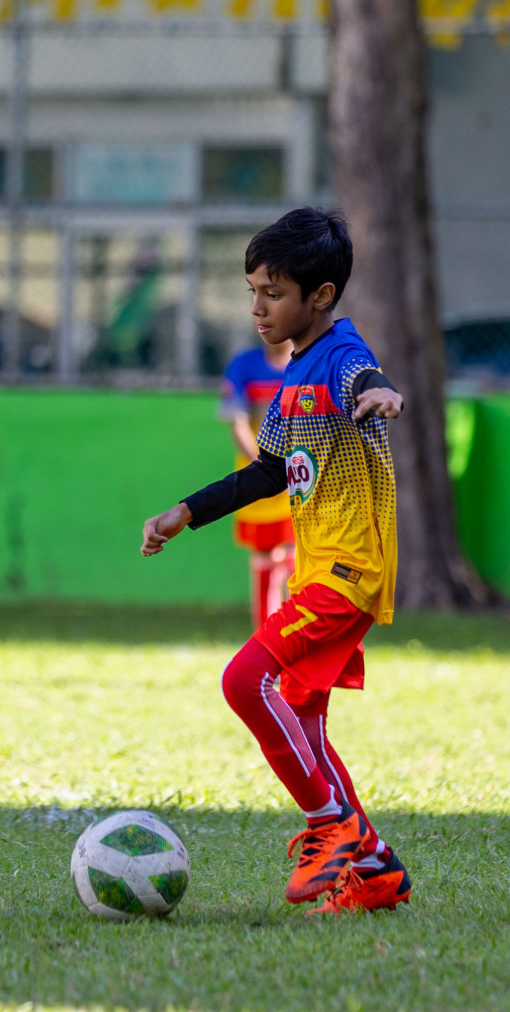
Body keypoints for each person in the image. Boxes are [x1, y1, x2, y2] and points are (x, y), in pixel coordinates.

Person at [141, 208, 411, 915]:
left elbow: (364, 379)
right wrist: (185, 513)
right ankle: (376, 869)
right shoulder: (291, 380)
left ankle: (333, 826)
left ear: (320, 296)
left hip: (348, 571)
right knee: (302, 716)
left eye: (274, 292)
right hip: (319, 569)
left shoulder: (342, 356)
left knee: (243, 680)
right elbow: (265, 472)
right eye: (253, 290)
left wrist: (380, 394)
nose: (258, 307)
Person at [220, 338, 296, 627]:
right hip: (260, 481)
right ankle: (267, 643)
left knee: (298, 561)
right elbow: (237, 421)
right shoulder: (244, 365)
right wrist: (263, 465)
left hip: (301, 480)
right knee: (265, 560)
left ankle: (297, 643)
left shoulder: (311, 365)